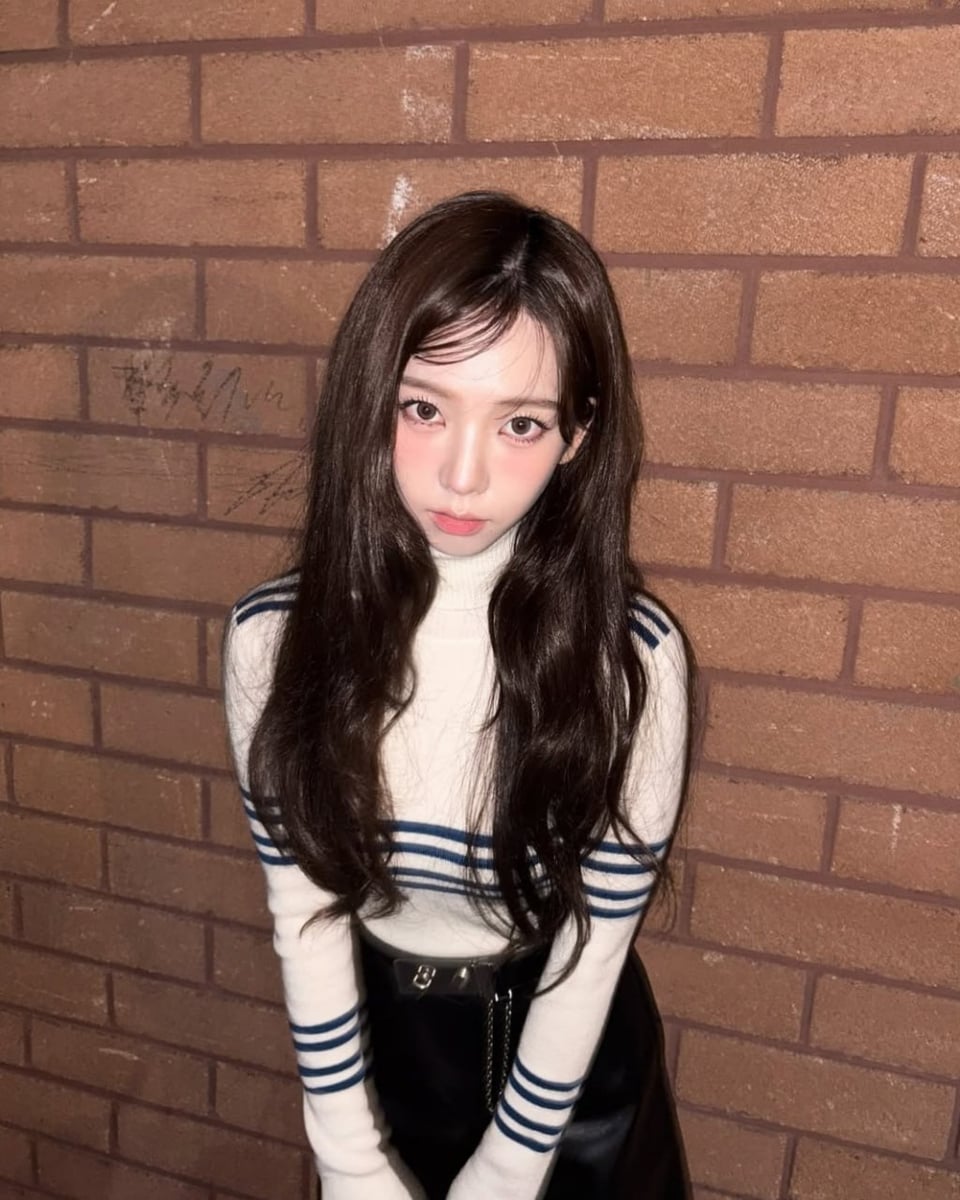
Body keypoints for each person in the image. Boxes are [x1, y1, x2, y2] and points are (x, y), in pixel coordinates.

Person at [221, 190, 693, 1200]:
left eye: (520, 423)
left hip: (569, 1070)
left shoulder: (631, 660)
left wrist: (510, 1168)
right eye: (424, 408)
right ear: (371, 400)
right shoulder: (275, 640)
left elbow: (594, 943)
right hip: (379, 1052)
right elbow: (303, 911)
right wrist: (348, 1157)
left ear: (577, 436)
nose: (463, 475)